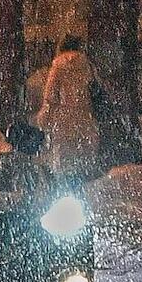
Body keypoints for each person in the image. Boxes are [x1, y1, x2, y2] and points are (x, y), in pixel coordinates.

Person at [35, 32, 102, 181]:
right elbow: (95, 89)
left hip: (63, 118)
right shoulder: (87, 65)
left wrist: (43, 118)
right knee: (82, 157)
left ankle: (64, 186)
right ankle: (81, 186)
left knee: (63, 157)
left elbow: (50, 95)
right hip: (85, 117)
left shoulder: (58, 65)